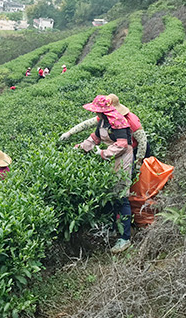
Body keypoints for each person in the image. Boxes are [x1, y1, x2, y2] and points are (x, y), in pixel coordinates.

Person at [74, 95, 134, 253]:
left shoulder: (118, 121)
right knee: (111, 195)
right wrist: (81, 147)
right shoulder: (102, 121)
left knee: (122, 197)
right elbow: (95, 138)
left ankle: (125, 238)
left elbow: (122, 145)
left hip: (123, 159)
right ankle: (114, 227)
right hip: (111, 158)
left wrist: (103, 153)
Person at [61, 94, 151, 171]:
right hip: (115, 150)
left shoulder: (131, 120)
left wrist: (139, 162)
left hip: (135, 149)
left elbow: (142, 142)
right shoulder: (105, 118)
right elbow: (87, 124)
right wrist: (70, 133)